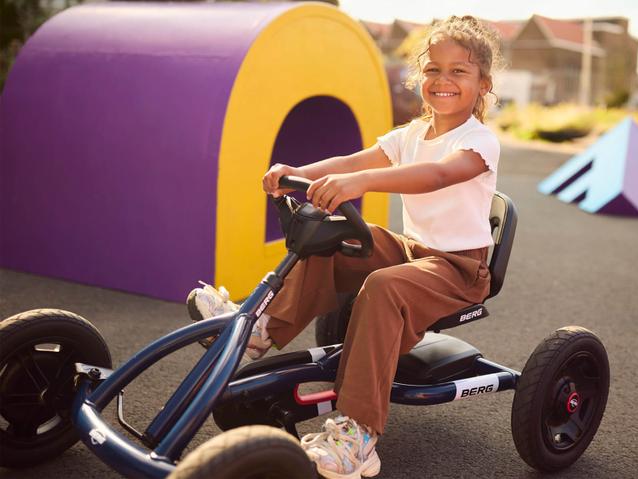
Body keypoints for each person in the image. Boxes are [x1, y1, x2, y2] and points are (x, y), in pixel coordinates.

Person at [189, 15, 502, 479]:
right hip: (412, 249)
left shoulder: (479, 141)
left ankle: (358, 436)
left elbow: (435, 176)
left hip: (458, 268)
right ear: (421, 77)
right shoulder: (411, 134)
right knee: (333, 236)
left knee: (383, 286)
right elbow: (351, 160)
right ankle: (261, 328)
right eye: (433, 69)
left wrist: (361, 181)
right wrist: (300, 171)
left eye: (460, 71)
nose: (443, 80)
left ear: (483, 85)